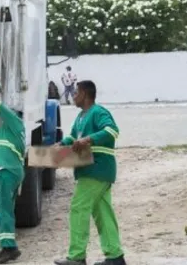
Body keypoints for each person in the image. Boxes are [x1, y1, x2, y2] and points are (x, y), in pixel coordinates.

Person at [54, 80, 126, 265]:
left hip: (97, 169)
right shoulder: (80, 117)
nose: (73, 96)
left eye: (76, 93)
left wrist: (88, 139)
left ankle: (77, 257)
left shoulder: (98, 112)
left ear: (85, 94)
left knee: (79, 208)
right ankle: (115, 257)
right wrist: (62, 144)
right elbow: (73, 137)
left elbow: (112, 131)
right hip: (93, 170)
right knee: (103, 212)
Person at [0, 99, 25, 264]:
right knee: (6, 209)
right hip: (8, 171)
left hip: (5, 171)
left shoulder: (15, 122)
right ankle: (7, 246)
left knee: (2, 209)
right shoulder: (9, 131)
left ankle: (10, 248)